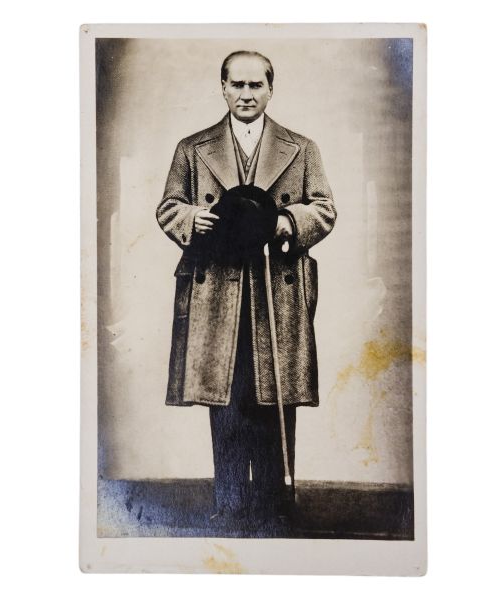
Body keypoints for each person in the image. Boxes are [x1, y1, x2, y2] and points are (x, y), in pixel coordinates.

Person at [156, 50, 336, 526]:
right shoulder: (192, 148)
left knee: (275, 397)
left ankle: (275, 505)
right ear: (223, 87)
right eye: (237, 84)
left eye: (256, 85)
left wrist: (286, 221)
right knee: (228, 399)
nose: (246, 94)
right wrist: (192, 217)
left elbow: (324, 208)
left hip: (276, 288)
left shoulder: (302, 148)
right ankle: (231, 503)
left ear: (271, 90)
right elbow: (169, 206)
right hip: (220, 292)